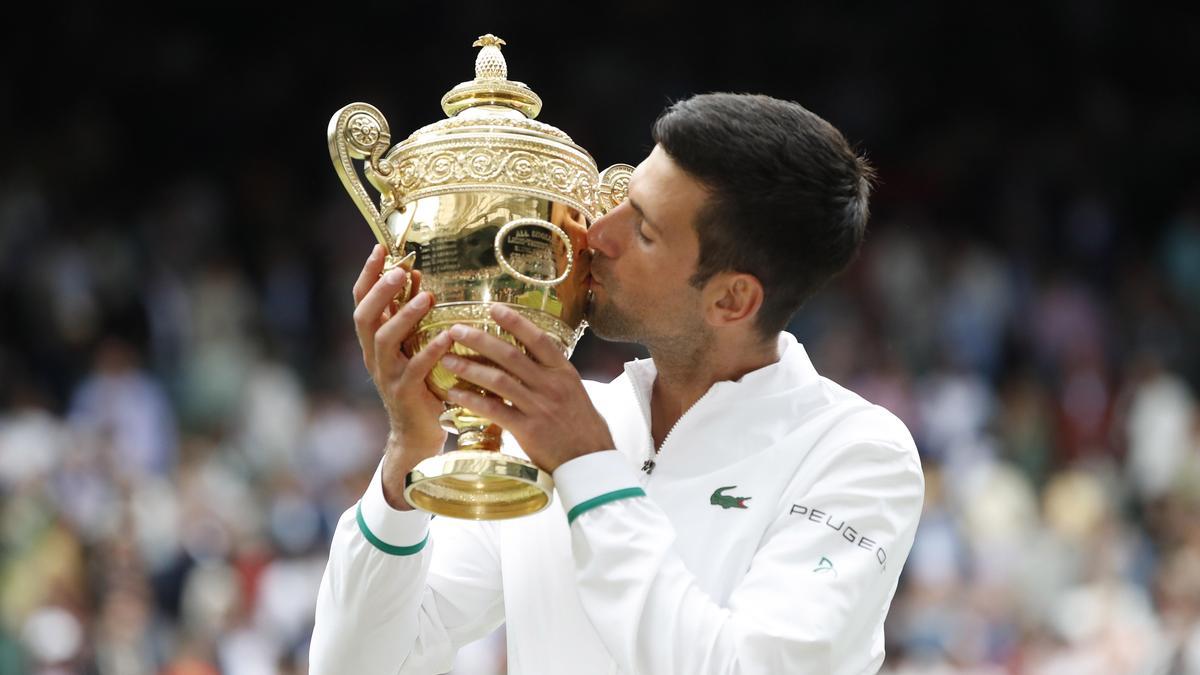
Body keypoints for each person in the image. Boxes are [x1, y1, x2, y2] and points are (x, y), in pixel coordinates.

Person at [310, 93, 925, 675]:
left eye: (645, 230)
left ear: (733, 299)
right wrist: (407, 455)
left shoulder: (860, 454)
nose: (597, 234)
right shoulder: (542, 432)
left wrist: (587, 466)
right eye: (622, 199)